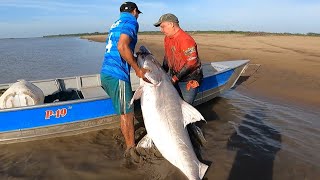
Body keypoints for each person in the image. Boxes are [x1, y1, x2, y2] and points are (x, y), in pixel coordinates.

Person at [100, 2, 147, 158]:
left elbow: (119, 48)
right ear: (134, 11)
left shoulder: (116, 23)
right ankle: (131, 149)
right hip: (117, 75)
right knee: (127, 114)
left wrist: (134, 58)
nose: (138, 15)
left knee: (123, 112)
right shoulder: (132, 21)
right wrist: (137, 69)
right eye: (137, 12)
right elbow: (122, 46)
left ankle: (129, 144)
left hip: (106, 73)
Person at [154, 13, 206, 145]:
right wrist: (163, 71)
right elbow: (167, 56)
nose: (161, 30)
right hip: (174, 77)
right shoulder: (167, 38)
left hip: (189, 79)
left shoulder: (185, 39)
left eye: (163, 26)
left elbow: (191, 63)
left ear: (172, 24)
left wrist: (175, 78)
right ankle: (176, 135)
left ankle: (193, 136)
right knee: (174, 109)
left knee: (185, 110)